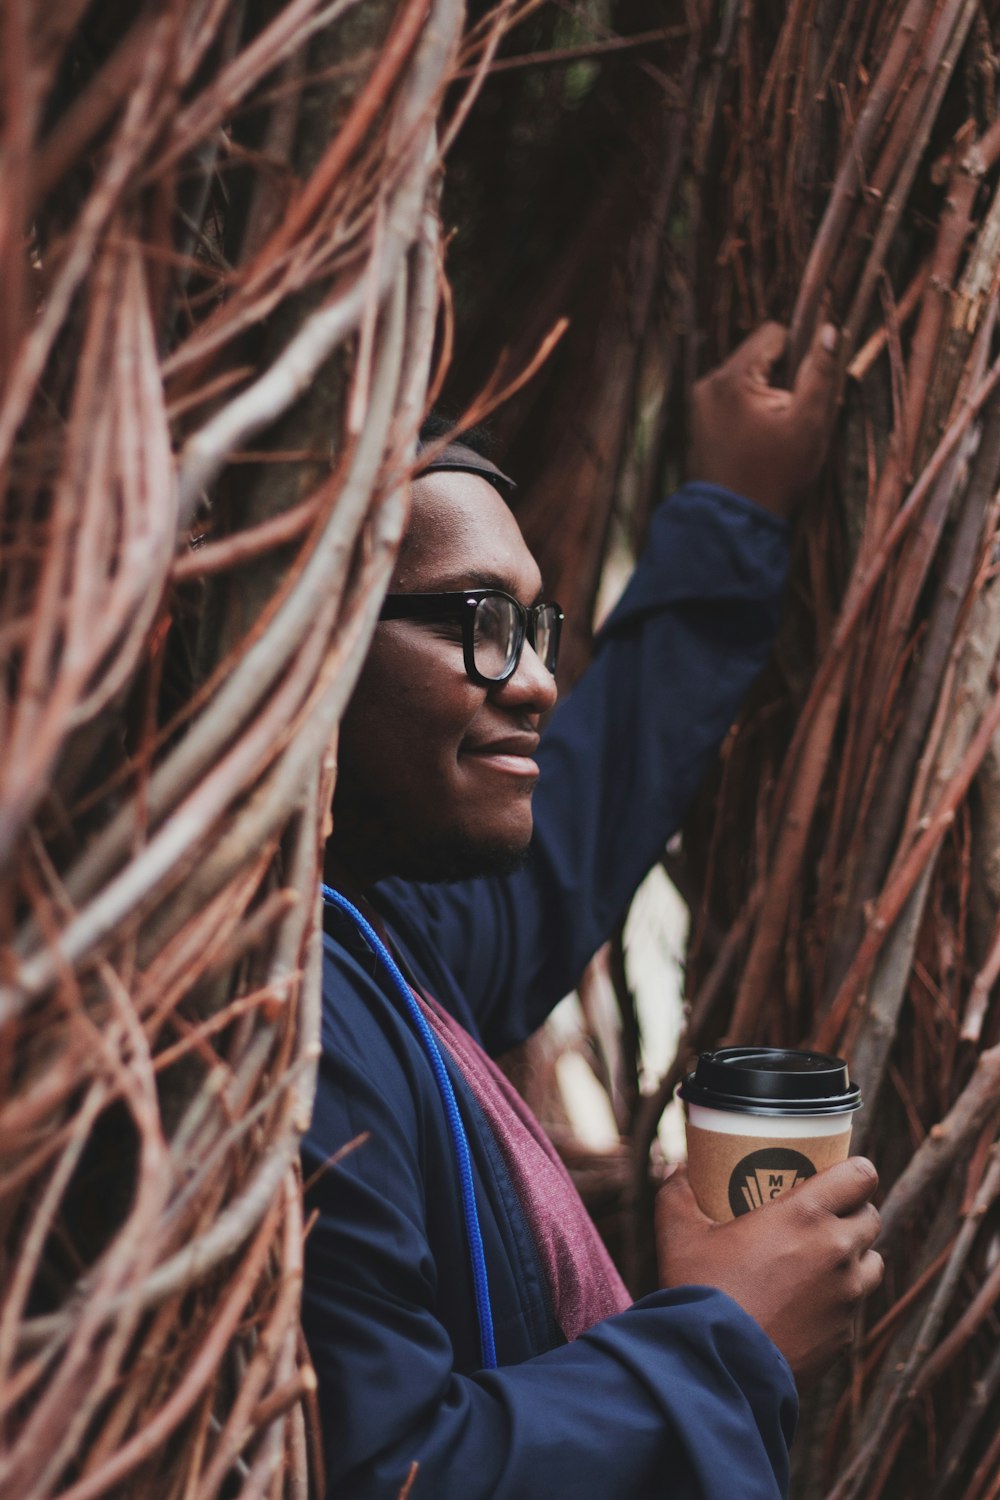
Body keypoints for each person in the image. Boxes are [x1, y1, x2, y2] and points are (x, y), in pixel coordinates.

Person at [302, 322, 883, 1499]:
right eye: (474, 621)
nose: (532, 677)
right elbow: (388, 1473)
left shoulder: (380, 940)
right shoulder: (288, 1024)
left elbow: (568, 838)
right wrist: (726, 1339)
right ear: (302, 642)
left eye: (531, 625)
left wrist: (729, 515)